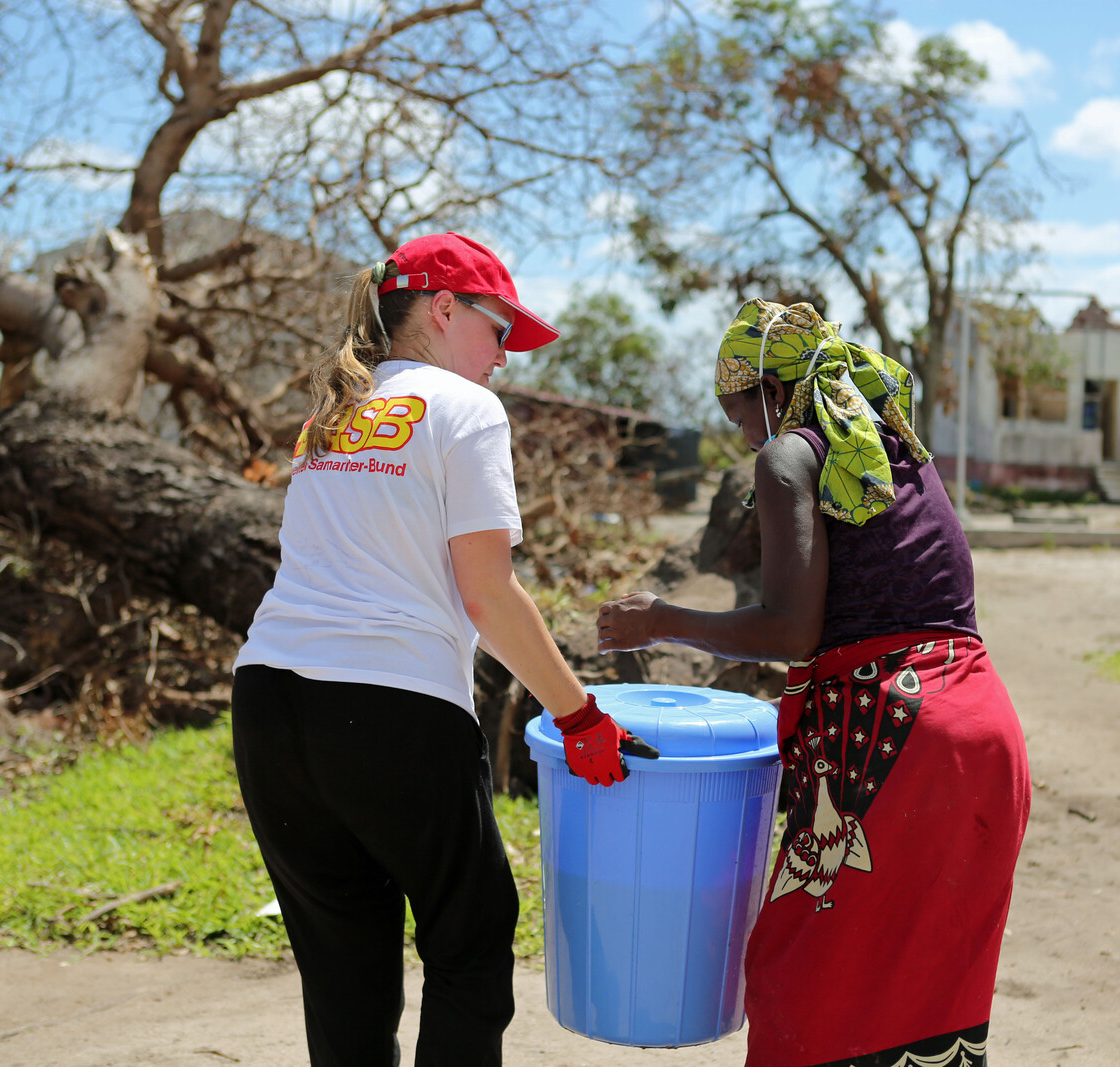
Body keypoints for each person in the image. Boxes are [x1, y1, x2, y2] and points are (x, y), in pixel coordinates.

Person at [231, 232, 648, 1067]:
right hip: (390, 705)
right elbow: (487, 594)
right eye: (499, 331)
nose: (503, 359)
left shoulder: (333, 412)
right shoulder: (464, 410)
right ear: (444, 307)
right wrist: (579, 714)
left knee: (344, 964)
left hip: (268, 704)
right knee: (470, 941)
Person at [597, 300, 1030, 1067]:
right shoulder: (891, 442)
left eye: (738, 412)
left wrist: (658, 618)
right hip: (982, 730)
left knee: (802, 980)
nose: (741, 433)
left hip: (894, 740)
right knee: (932, 982)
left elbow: (790, 630)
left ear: (769, 386)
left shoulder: (791, 454)